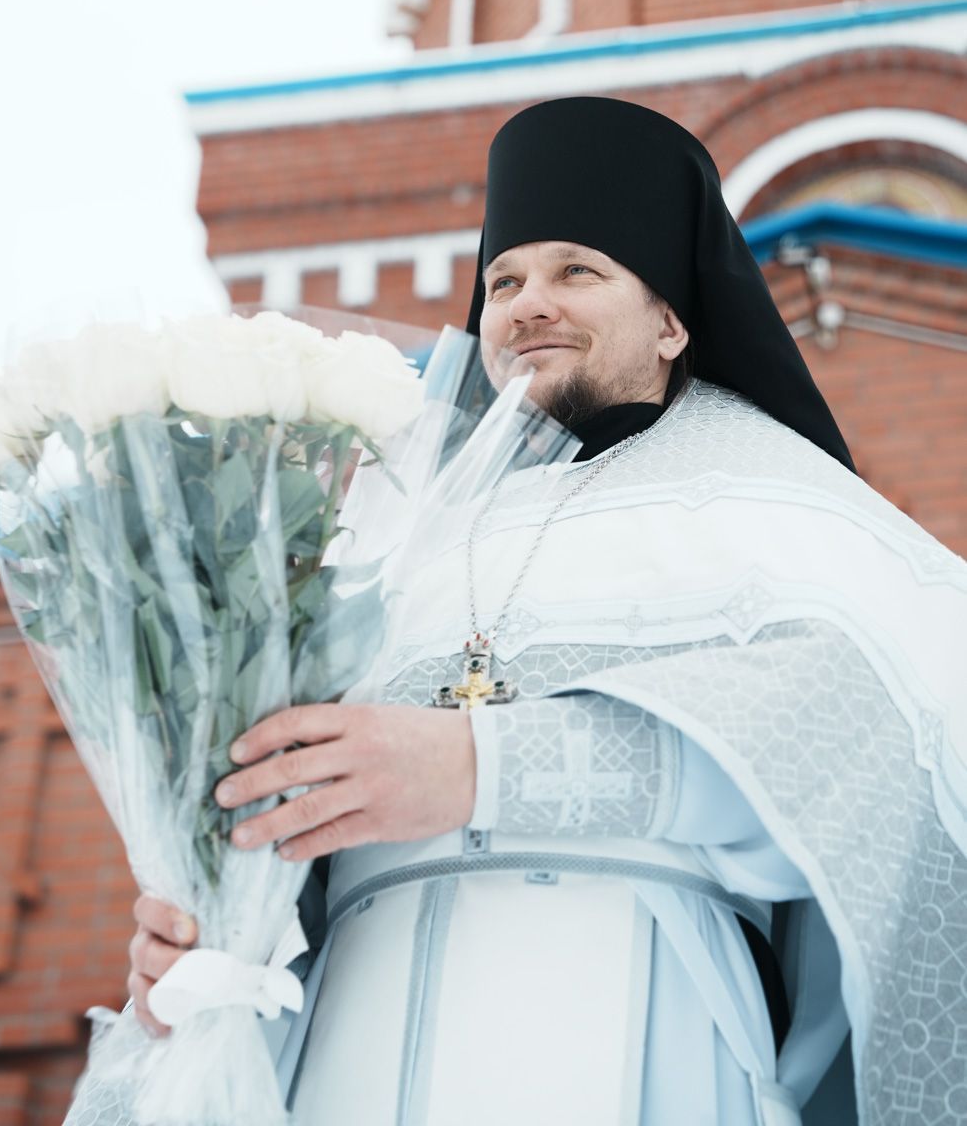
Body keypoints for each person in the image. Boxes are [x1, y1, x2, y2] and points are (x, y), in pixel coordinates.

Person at [129, 97, 967, 1126]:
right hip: (352, 1049)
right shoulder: (389, 532)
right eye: (503, 282)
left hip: (638, 1018)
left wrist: (484, 767)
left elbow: (865, 748)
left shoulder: (777, 504)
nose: (529, 304)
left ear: (671, 322)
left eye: (577, 271)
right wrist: (217, 940)